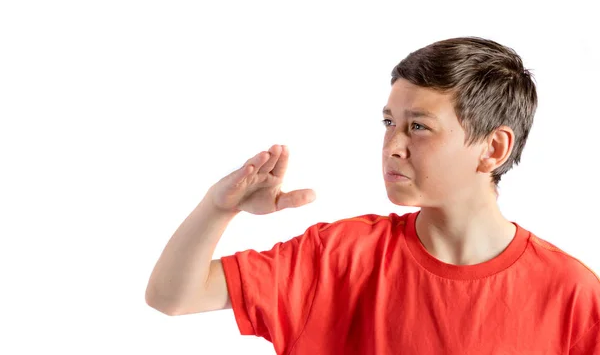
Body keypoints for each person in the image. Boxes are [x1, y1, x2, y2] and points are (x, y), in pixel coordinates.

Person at [145, 37, 600, 354]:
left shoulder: (571, 294)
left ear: (493, 149)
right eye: (389, 123)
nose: (393, 145)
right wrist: (217, 208)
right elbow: (173, 296)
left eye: (418, 127)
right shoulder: (339, 257)